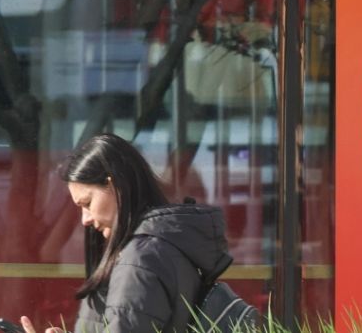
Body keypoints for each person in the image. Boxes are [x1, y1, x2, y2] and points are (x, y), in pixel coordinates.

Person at [20, 133, 233, 333]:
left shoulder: (140, 259)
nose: (85, 219)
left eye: (87, 203)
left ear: (114, 186)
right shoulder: (164, 246)